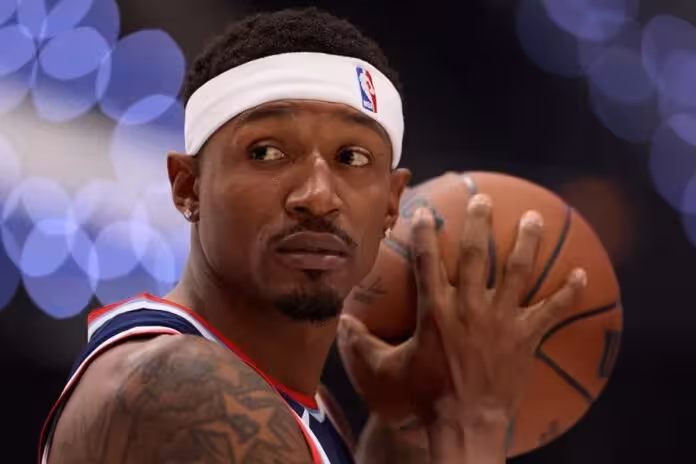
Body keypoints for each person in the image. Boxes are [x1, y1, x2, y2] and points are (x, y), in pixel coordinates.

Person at [38, 7, 586, 463]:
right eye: (267, 152)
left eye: (353, 157)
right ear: (188, 187)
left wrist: (410, 421)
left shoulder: (303, 403)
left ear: (392, 202)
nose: (318, 196)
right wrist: (471, 422)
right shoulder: (185, 390)